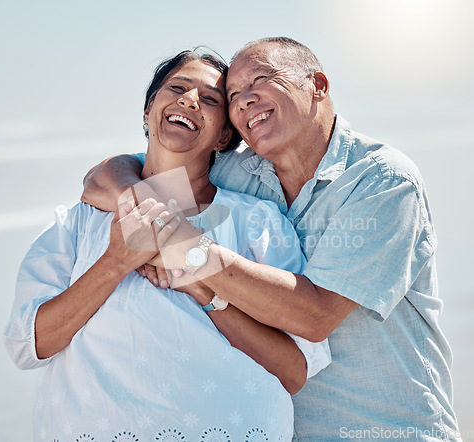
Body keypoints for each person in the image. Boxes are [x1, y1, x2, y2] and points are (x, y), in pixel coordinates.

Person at [82, 37, 461, 441]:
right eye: (231, 96)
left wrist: (182, 247)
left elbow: (314, 318)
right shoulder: (236, 174)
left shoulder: (381, 181)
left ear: (318, 84)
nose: (243, 101)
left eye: (260, 80)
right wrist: (139, 208)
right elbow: (114, 172)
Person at [3, 49, 331, 441]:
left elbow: (294, 373)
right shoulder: (79, 220)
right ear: (147, 111)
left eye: (210, 99)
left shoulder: (257, 222)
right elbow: (28, 346)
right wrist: (115, 262)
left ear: (225, 135)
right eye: (176, 88)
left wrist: (203, 289)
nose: (189, 100)